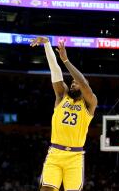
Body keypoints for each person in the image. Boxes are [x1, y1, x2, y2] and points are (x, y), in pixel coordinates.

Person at [31, 37, 98, 191]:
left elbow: (83, 83)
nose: (73, 84)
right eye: (72, 82)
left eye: (77, 83)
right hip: (55, 153)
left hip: (75, 157)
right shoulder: (62, 96)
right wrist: (47, 44)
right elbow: (55, 71)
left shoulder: (90, 102)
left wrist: (66, 60)